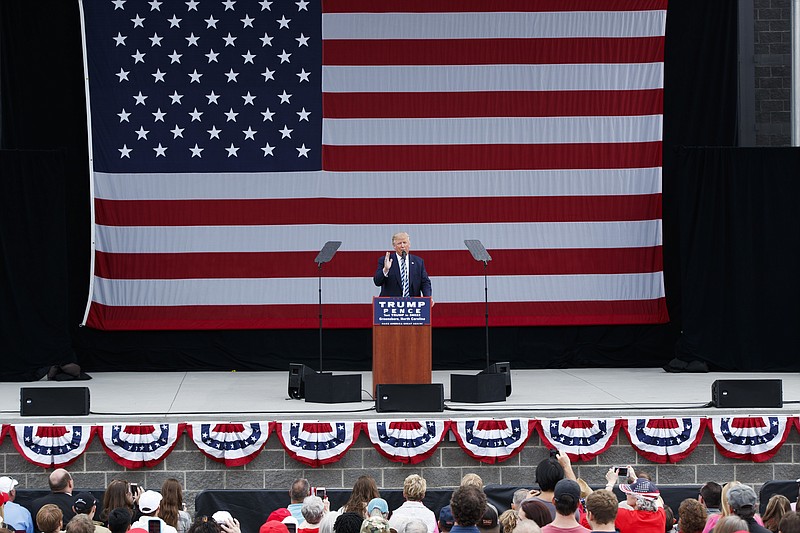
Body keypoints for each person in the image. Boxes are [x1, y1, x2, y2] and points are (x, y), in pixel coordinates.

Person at [606, 468, 665, 533]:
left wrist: (611, 483)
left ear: (637, 499)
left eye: (629, 493)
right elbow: (656, 497)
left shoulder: (625, 516)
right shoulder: (660, 515)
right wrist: (636, 480)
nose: (626, 494)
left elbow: (600, 506)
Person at [373, 232, 432, 298]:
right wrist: (385, 270)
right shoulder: (385, 260)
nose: (402, 246)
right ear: (394, 246)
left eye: (404, 242)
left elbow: (425, 282)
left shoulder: (418, 262)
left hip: (412, 304)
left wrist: (428, 297)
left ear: (409, 244)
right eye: (399, 243)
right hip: (391, 304)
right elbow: (377, 282)